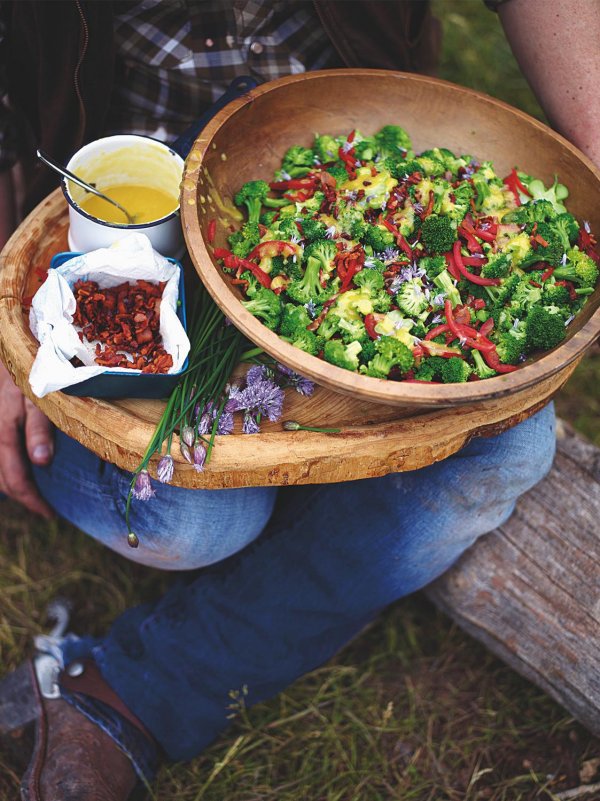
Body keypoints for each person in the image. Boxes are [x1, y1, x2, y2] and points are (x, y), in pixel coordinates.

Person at [0, 1, 598, 799]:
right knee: (201, 521)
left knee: (512, 449)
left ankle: (133, 692)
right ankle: (316, 531)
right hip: (121, 196)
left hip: (327, 141)